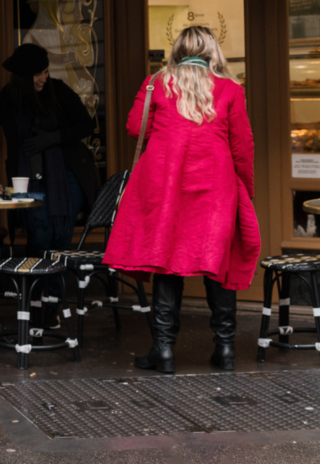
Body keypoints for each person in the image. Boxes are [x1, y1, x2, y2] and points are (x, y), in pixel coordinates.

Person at [103, 25, 260, 374]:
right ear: (213, 52)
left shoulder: (156, 83)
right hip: (216, 186)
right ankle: (225, 348)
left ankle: (164, 350)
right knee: (216, 261)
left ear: (177, 49)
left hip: (164, 181)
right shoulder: (231, 89)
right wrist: (246, 191)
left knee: (166, 261)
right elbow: (242, 145)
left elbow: (133, 127)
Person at [0, 42, 98, 265]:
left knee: (61, 236)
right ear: (23, 76)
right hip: (28, 179)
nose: (44, 78)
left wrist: (51, 138)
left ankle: (53, 297)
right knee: (40, 235)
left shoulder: (58, 91)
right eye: (37, 74)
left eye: (45, 72)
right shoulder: (7, 100)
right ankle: (36, 294)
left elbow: (85, 126)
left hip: (65, 175)